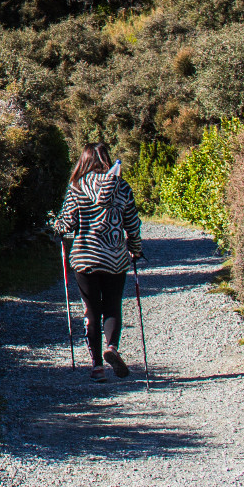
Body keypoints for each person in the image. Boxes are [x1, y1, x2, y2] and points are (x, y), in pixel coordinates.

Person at [54, 142, 143, 380]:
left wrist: (57, 228)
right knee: (112, 305)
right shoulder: (122, 187)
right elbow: (132, 224)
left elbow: (67, 224)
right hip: (115, 259)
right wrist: (134, 249)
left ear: (84, 160)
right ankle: (111, 348)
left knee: (91, 309)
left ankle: (96, 367)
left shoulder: (77, 187)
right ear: (106, 158)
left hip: (86, 257)